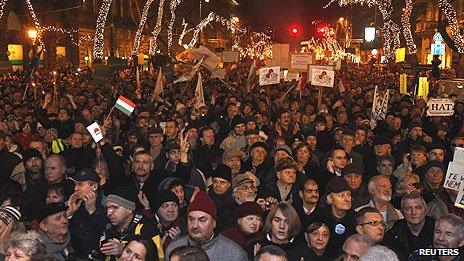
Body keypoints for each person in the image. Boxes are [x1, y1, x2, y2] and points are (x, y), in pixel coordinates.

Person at [165, 191, 247, 261]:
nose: (195, 225)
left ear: (214, 223)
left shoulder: (234, 254)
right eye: (191, 219)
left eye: (202, 220)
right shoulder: (174, 249)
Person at [101, 186, 163, 260]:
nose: (109, 213)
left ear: (129, 209)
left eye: (114, 208)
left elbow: (159, 258)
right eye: (107, 208)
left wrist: (123, 251)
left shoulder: (148, 229)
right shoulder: (110, 231)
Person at [247, 202, 312, 260]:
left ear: (293, 225)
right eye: (277, 220)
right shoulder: (254, 248)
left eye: (287, 222)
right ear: (270, 222)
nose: (282, 226)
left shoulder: (305, 253)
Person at [68, 168, 108, 258]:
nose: (75, 189)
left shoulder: (107, 204)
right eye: (75, 185)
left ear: (94, 186)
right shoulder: (73, 202)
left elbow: (105, 229)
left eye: (80, 185)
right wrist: (69, 213)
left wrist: (92, 211)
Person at [384, 193, 435, 260]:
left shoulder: (439, 231)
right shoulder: (392, 235)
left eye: (418, 208)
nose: (414, 212)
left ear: (426, 210)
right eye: (408, 209)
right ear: (402, 212)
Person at [318, 177, 357, 260]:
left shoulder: (355, 218)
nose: (347, 199)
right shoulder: (319, 216)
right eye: (342, 195)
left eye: (349, 194)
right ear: (330, 199)